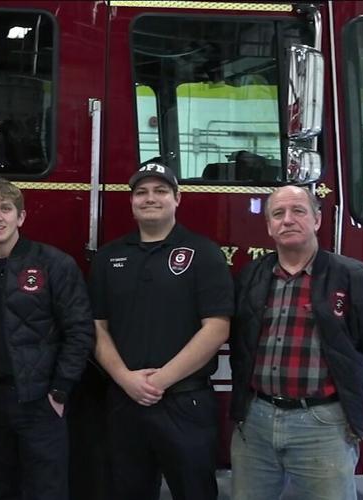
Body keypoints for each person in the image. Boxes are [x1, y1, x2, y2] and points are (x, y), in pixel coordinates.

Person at [229, 185, 363, 500]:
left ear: (317, 220)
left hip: (323, 425)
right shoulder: (252, 275)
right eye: (278, 214)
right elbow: (239, 341)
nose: (287, 220)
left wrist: (346, 393)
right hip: (256, 422)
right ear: (268, 226)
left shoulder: (352, 276)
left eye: (298, 211)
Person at [89, 159, 233, 500]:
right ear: (131, 201)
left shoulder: (204, 253)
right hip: (125, 401)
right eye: (141, 192)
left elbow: (217, 328)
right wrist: (126, 379)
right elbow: (96, 327)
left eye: (160, 191)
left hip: (186, 401)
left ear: (177, 198)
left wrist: (160, 380)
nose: (150, 198)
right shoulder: (109, 258)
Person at [0, 178, 95, 500]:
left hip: (41, 403)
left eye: (6, 209)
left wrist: (59, 391)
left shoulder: (54, 265)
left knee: (46, 492)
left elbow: (80, 330)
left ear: (22, 217)